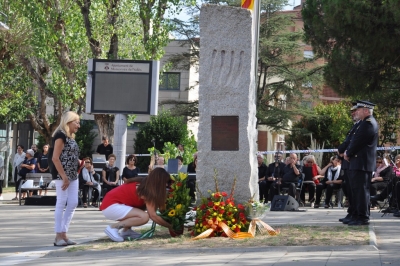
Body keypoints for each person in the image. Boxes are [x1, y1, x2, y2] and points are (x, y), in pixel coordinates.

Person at [100, 168, 176, 242]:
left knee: (140, 210)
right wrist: (171, 226)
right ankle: (113, 228)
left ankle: (126, 231)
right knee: (144, 217)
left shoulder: (144, 184)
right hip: (111, 206)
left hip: (110, 204)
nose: (166, 185)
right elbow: (153, 215)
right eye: (166, 182)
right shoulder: (148, 191)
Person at [342, 100, 378, 226]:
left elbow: (357, 142)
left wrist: (348, 153)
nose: (357, 112)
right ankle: (357, 215)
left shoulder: (368, 124)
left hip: (362, 164)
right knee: (357, 191)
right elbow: (353, 141)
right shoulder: (364, 123)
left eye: (359, 110)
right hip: (359, 163)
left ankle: (362, 217)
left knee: (361, 192)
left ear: (366, 110)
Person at [52, 111, 81, 246]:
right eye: (77, 122)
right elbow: (55, 158)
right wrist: (64, 177)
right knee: (61, 202)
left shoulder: (71, 137)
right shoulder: (60, 135)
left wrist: (80, 162)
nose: (78, 125)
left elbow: (69, 155)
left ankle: (64, 233)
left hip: (73, 175)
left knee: (73, 202)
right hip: (62, 175)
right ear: (69, 121)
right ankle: (58, 235)